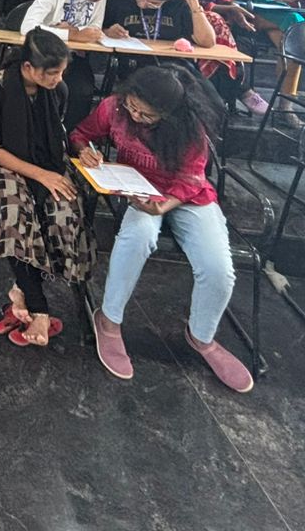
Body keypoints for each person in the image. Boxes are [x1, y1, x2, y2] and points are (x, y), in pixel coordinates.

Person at [73, 66, 253, 391]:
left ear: (168, 115)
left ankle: (202, 337)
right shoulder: (115, 108)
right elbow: (80, 133)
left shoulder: (190, 128)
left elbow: (191, 180)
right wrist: (85, 149)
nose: (136, 116)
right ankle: (109, 320)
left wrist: (163, 205)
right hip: (138, 189)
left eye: (147, 115)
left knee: (217, 268)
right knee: (138, 236)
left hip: (187, 197)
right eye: (133, 107)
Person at [0, 31, 95, 349]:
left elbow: (57, 134)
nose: (58, 79)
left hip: (46, 161)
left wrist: (80, 150)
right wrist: (41, 175)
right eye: (51, 73)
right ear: (27, 67)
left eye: (61, 72)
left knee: (64, 209)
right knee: (14, 210)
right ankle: (40, 308)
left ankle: (21, 290)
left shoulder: (57, 90)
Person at [18, 0, 110, 126]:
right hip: (44, 55)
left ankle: (70, 134)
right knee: (47, 88)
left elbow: (94, 27)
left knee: (83, 91)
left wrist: (79, 32)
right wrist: (70, 34)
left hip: (74, 56)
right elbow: (28, 27)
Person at [170, 0, 259, 112]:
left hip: (199, 12)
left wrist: (231, 8)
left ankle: (232, 89)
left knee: (243, 38)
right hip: (178, 14)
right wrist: (227, 9)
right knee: (216, 22)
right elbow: (191, 2)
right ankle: (239, 89)